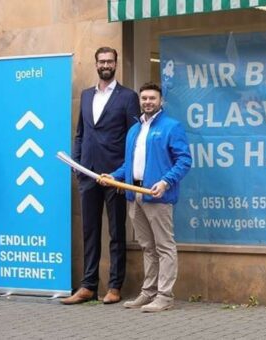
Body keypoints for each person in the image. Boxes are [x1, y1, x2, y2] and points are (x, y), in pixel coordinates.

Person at [100, 82, 192, 312]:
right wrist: (112, 176)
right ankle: (148, 292)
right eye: (144, 98)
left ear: (161, 101)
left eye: (152, 98)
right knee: (147, 247)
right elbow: (129, 165)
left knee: (164, 247)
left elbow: (184, 160)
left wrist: (165, 182)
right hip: (135, 196)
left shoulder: (172, 127)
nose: (148, 102)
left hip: (157, 197)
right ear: (140, 101)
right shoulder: (135, 130)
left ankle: (165, 296)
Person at [61, 47, 140, 305]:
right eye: (101, 61)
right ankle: (88, 286)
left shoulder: (128, 97)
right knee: (90, 231)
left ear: (116, 64)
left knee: (116, 232)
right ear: (96, 64)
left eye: (110, 61)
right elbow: (80, 133)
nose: (106, 64)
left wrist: (124, 172)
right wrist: (77, 160)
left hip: (114, 175)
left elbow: (134, 138)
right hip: (88, 174)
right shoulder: (86, 95)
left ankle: (115, 286)